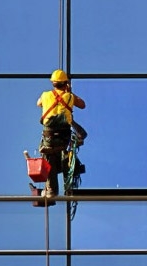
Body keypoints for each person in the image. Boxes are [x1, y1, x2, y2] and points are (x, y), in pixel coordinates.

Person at [37, 69, 87, 198]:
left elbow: (39, 104)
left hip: (49, 138)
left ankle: (51, 191)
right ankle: (68, 188)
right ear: (66, 83)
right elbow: (82, 105)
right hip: (64, 138)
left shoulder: (45, 95)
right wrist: (68, 92)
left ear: (53, 83)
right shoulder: (70, 96)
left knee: (49, 159)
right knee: (66, 156)